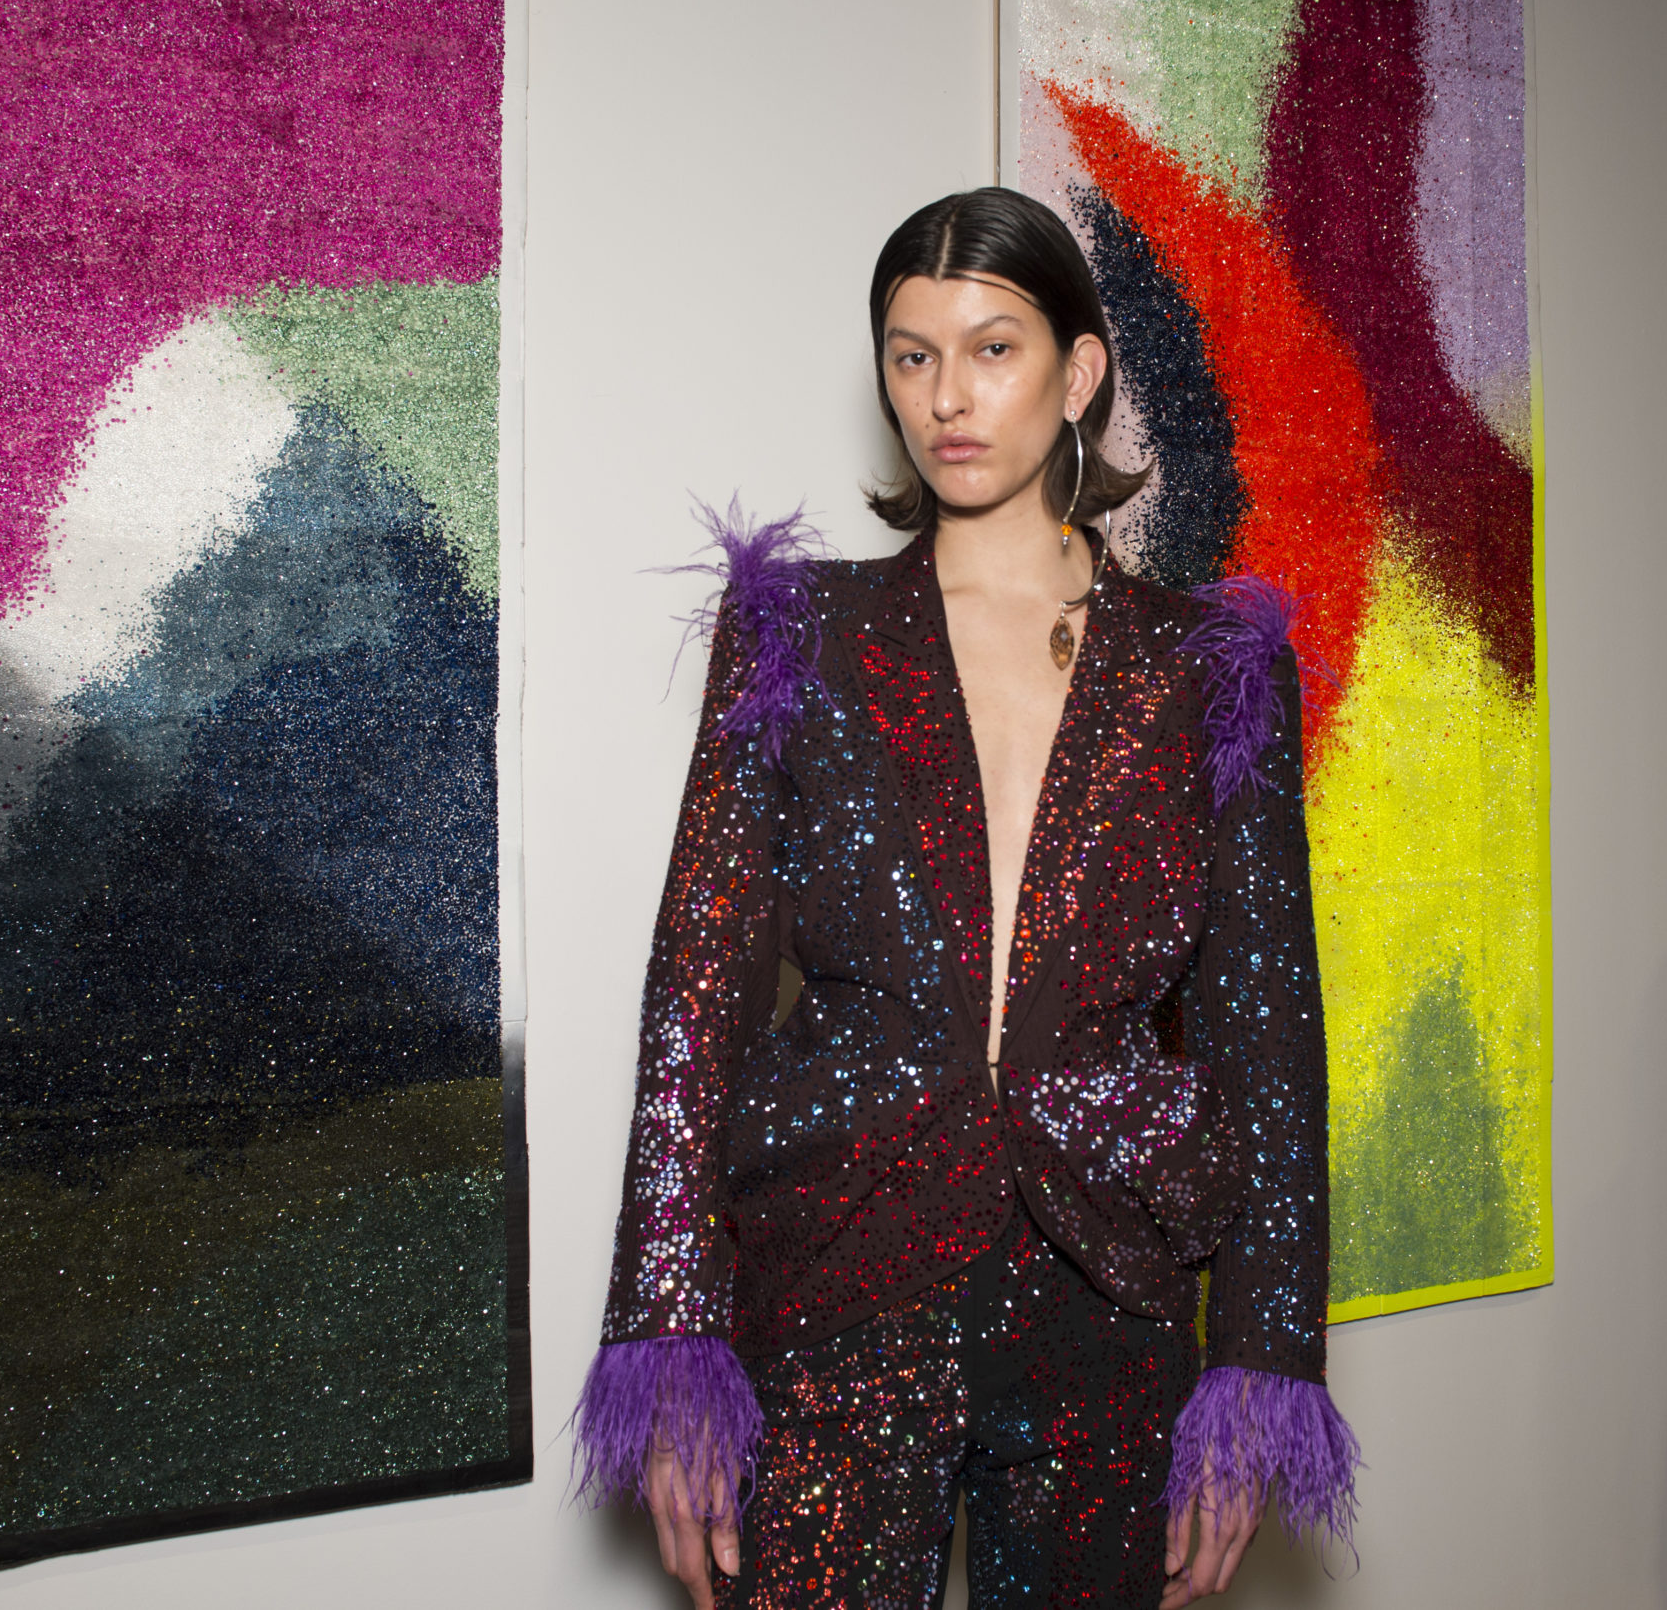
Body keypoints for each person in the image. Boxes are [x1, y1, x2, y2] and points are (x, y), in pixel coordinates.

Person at [573, 186, 1357, 1610]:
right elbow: (697, 989)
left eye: (994, 349)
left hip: (1105, 1299)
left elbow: (1266, 1039)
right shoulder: (799, 632)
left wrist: (1261, 1367)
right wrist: (672, 1334)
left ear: (1081, 371)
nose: (948, 396)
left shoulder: (1206, 669)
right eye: (912, 354)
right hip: (835, 1276)